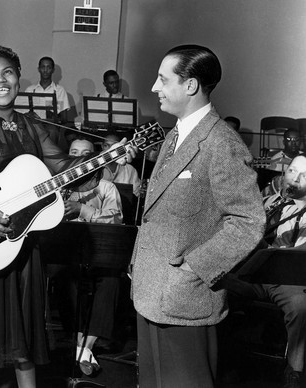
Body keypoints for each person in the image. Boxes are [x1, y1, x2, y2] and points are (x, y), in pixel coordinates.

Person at [0, 45, 134, 388]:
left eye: (8, 72)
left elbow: (64, 168)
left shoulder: (32, 126)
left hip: (22, 242)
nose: (0, 80)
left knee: (25, 326)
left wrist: (109, 157)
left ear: (19, 78)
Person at [130, 44, 265, 388]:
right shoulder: (175, 135)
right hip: (150, 293)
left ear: (190, 86)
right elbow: (157, 214)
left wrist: (193, 271)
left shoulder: (222, 143)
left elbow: (248, 221)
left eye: (163, 79)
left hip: (185, 299)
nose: (153, 87)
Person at [225, 155, 306, 388]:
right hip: (251, 274)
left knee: (301, 306)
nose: (295, 178)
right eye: (292, 171)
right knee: (211, 284)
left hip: (286, 280)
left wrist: (269, 251)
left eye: (303, 175)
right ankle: (220, 361)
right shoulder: (268, 202)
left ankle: (295, 372)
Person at [60, 138, 123, 375]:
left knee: (110, 282)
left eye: (85, 153)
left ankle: (85, 346)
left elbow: (115, 220)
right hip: (66, 255)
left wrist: (83, 210)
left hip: (99, 254)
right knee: (66, 279)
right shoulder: (59, 186)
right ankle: (81, 348)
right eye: (74, 152)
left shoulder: (107, 187)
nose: (79, 157)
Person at [25, 56, 70, 123]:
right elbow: (23, 112)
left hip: (51, 126)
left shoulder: (60, 90)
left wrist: (52, 115)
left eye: (48, 67)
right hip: (33, 125)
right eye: (43, 67)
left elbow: (64, 118)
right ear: (39, 69)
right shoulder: (30, 89)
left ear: (53, 70)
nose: (45, 70)